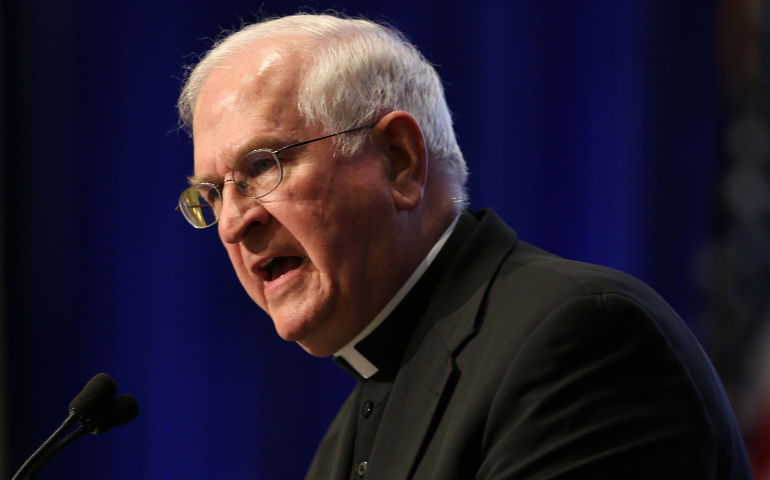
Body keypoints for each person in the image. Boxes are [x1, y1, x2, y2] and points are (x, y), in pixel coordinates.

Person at [175, 12, 751, 480]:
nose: (232, 222)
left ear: (399, 161)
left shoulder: (582, 341)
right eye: (212, 193)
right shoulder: (347, 433)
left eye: (263, 166)